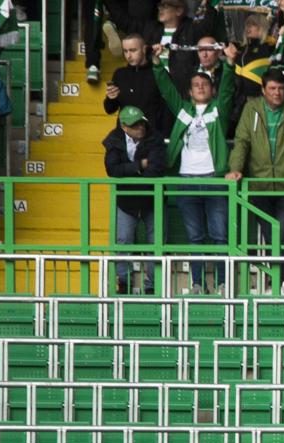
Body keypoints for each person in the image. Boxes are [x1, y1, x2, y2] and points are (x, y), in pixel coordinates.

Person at [152, 64, 235, 293]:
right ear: (189, 92)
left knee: (220, 236)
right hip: (186, 179)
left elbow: (228, 90)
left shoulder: (219, 109)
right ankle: (197, 284)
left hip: (214, 179)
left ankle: (223, 284)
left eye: (205, 84)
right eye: (196, 85)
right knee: (194, 237)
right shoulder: (183, 110)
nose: (200, 88)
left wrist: (228, 66)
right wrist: (158, 66)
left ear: (212, 90)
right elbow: (167, 90)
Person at [225, 69, 284, 283]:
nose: (277, 93)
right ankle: (280, 278)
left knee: (281, 232)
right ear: (263, 90)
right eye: (272, 88)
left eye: (281, 88)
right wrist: (236, 168)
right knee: (270, 234)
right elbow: (242, 141)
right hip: (259, 183)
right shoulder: (251, 108)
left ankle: (281, 280)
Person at [103, 104, 167, 295]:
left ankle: (153, 285)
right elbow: (112, 170)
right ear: (124, 126)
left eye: (141, 124)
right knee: (123, 240)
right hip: (126, 200)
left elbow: (156, 168)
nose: (140, 128)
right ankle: (123, 281)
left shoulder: (155, 138)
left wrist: (129, 170)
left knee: (156, 241)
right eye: (134, 125)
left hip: (152, 198)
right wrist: (140, 165)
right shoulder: (113, 139)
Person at [103, 34, 169, 135]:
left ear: (144, 49)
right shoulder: (120, 74)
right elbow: (109, 109)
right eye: (125, 51)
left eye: (133, 50)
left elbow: (167, 108)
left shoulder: (158, 73)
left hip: (151, 138)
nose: (128, 56)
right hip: (124, 137)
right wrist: (110, 98)